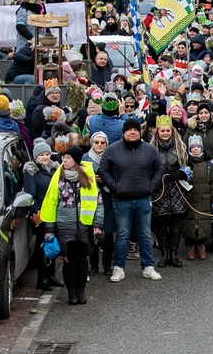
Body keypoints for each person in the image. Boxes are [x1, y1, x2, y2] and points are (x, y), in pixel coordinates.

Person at [98, 118, 164, 282]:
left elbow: (159, 168)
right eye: (129, 130)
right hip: (121, 200)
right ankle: (118, 268)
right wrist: (115, 187)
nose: (133, 132)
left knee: (145, 234)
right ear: (124, 132)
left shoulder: (149, 149)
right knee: (122, 235)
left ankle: (148, 266)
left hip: (144, 198)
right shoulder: (112, 149)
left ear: (139, 132)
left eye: (135, 129)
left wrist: (151, 186)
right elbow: (103, 170)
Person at [40, 147, 104, 305]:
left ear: (75, 160)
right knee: (68, 260)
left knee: (83, 260)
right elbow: (51, 204)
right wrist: (49, 229)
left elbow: (98, 202)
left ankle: (81, 292)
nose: (65, 161)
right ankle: (72, 293)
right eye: (64, 158)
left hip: (84, 226)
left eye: (68, 158)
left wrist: (97, 224)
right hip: (64, 227)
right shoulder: (58, 177)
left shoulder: (87, 177)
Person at [23, 142, 65, 291]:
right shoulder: (31, 172)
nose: (45, 157)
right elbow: (30, 195)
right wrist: (36, 212)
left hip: (55, 213)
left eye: (47, 154)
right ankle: (43, 278)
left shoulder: (56, 169)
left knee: (54, 245)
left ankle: (52, 275)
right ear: (36, 157)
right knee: (43, 247)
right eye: (42, 155)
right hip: (41, 215)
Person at [150, 115, 190, 268]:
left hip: (177, 190)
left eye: (168, 130)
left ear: (172, 131)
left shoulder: (180, 147)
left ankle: (173, 254)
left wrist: (182, 173)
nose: (165, 133)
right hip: (159, 190)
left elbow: (188, 166)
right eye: (162, 131)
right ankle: (164, 254)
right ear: (157, 132)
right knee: (161, 223)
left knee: (175, 223)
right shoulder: (151, 149)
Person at [182, 135, 213, 260]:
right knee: (189, 222)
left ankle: (202, 246)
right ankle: (190, 246)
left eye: (198, 146)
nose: (196, 149)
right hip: (189, 198)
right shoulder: (186, 164)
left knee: (204, 222)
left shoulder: (209, 165)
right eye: (193, 147)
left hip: (205, 199)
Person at [83, 132, 115, 276]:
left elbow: (116, 174)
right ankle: (93, 265)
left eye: (103, 142)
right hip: (91, 200)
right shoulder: (85, 157)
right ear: (92, 143)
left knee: (108, 235)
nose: (100, 145)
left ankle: (107, 265)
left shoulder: (111, 156)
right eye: (96, 142)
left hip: (107, 198)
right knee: (91, 235)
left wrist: (105, 179)